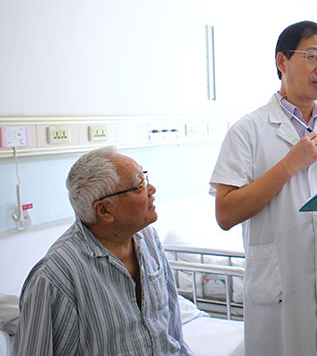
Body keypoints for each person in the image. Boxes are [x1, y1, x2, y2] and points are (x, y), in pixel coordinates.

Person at [210, 21, 317, 356]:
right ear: (282, 62)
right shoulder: (248, 131)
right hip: (282, 291)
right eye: (312, 57)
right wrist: (290, 164)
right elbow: (225, 213)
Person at [12, 146, 191, 356]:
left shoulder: (149, 240)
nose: (151, 189)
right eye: (139, 185)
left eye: (145, 177)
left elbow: (172, 329)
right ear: (104, 210)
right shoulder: (55, 277)